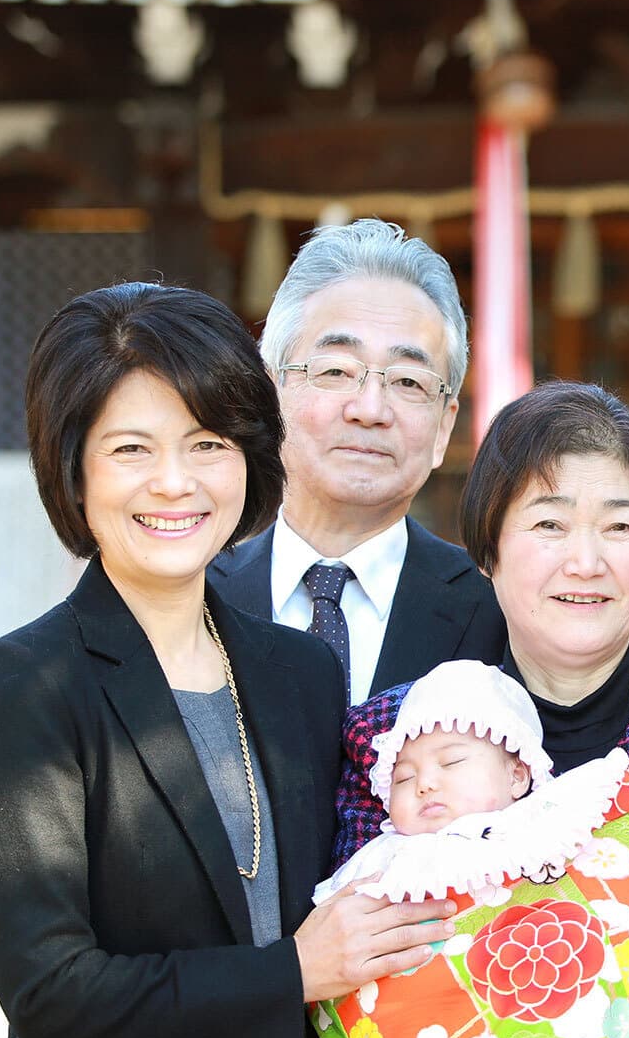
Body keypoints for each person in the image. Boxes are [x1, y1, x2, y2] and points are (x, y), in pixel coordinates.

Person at [0, 282, 454, 1038]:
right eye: (131, 449)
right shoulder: (28, 680)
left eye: (207, 444)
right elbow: (50, 986)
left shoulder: (298, 673)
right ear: (75, 468)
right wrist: (293, 971)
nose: (173, 483)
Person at [332, 381, 629, 862]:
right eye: (550, 525)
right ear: (488, 551)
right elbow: (366, 922)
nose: (586, 563)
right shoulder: (390, 737)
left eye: (620, 527)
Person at [208, 219, 504, 705]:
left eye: (409, 382)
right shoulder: (194, 598)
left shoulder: (497, 612)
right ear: (268, 391)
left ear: (444, 427)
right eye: (336, 371)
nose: (369, 409)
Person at [311, 659, 628, 903]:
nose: (425, 784)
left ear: (517, 775)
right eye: (404, 778)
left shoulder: (541, 825)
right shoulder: (388, 856)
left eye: (451, 762)